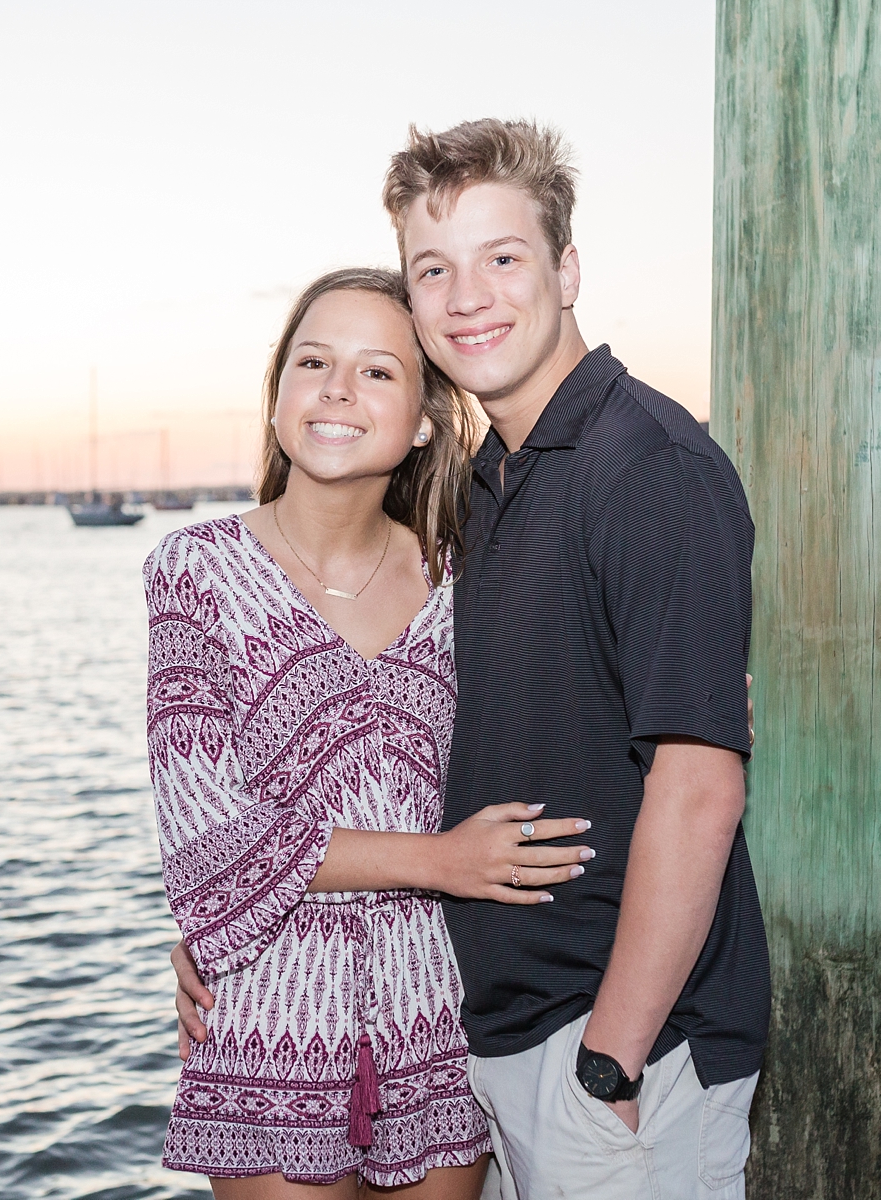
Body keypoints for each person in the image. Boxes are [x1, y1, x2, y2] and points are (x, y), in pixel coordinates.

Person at [175, 120, 768, 1200]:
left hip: (612, 1054)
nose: (469, 297)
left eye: (504, 258)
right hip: (479, 1044)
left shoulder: (649, 467)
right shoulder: (490, 496)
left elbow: (698, 790)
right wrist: (244, 922)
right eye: (433, 270)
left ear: (567, 268)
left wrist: (611, 1059)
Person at [144, 267, 596, 1198]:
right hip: (270, 1009)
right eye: (314, 361)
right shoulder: (195, 574)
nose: (339, 389)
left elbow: (584, 699)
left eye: (378, 371)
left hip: (439, 1006)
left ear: (427, 416)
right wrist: (440, 861)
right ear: (278, 397)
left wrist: (706, 697)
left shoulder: (469, 577)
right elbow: (210, 842)